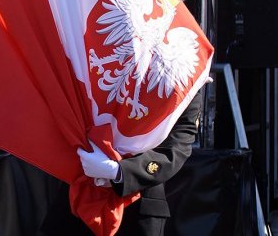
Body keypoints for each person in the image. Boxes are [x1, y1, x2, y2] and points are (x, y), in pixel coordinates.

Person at [39, 91, 204, 236]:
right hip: (78, 197)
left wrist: (119, 172)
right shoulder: (96, 65)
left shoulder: (185, 81)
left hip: (138, 207)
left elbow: (175, 149)